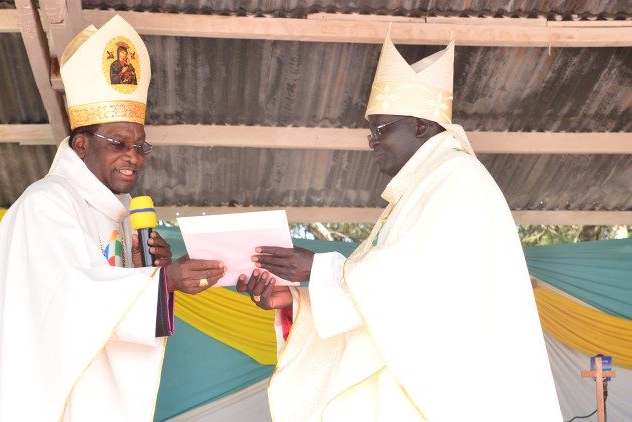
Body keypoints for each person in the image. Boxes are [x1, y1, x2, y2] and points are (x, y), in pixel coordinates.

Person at [238, 33, 562, 421]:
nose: (372, 142)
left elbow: (410, 286)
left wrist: (317, 267)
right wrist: (296, 302)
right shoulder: (422, 188)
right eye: (371, 132)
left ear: (420, 126)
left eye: (381, 129)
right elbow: (400, 300)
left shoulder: (458, 178)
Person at [0, 15, 224, 422]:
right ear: (80, 144)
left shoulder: (122, 217)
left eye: (140, 146)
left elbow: (113, 322)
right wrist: (160, 283)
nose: (133, 157)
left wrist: (148, 272)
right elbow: (68, 300)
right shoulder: (47, 204)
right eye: (119, 143)